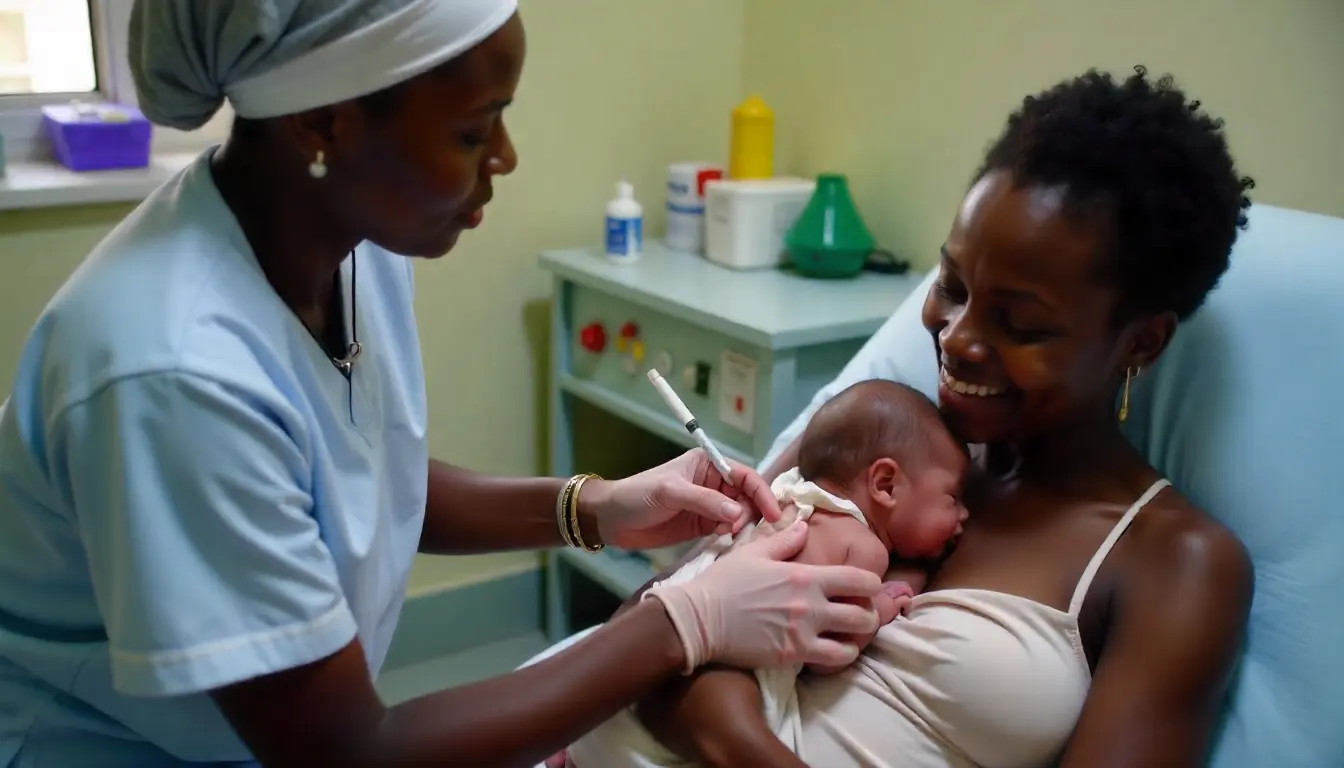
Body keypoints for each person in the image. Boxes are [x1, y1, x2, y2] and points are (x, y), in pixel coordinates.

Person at [0, 2, 891, 766]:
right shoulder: (172, 373)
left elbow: (353, 479)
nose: (503, 157)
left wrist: (596, 505)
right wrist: (679, 623)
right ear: (324, 124)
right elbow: (350, 752)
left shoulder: (347, 244)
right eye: (474, 128)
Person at [582, 65, 1258, 767]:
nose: (957, 338)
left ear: (1141, 341)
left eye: (1019, 323)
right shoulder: (878, 434)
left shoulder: (1174, 561)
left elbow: (673, 654)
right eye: (951, 286)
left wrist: (713, 706)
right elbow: (648, 631)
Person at [565, 379, 970, 768]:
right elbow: (829, 650)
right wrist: (879, 608)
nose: (964, 516)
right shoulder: (862, 547)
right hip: (677, 723)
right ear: (885, 484)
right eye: (952, 497)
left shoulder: (784, 494)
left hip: (605, 707)